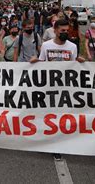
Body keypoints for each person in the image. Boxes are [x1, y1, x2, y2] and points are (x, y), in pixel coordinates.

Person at [31, 19, 85, 161]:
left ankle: (57, 146)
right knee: (47, 116)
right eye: (62, 31)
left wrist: (81, 63)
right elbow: (42, 63)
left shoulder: (72, 46)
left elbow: (74, 65)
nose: (65, 33)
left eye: (67, 31)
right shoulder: (46, 45)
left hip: (64, 89)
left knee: (60, 117)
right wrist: (34, 62)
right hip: (48, 88)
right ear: (55, 30)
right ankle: (45, 141)